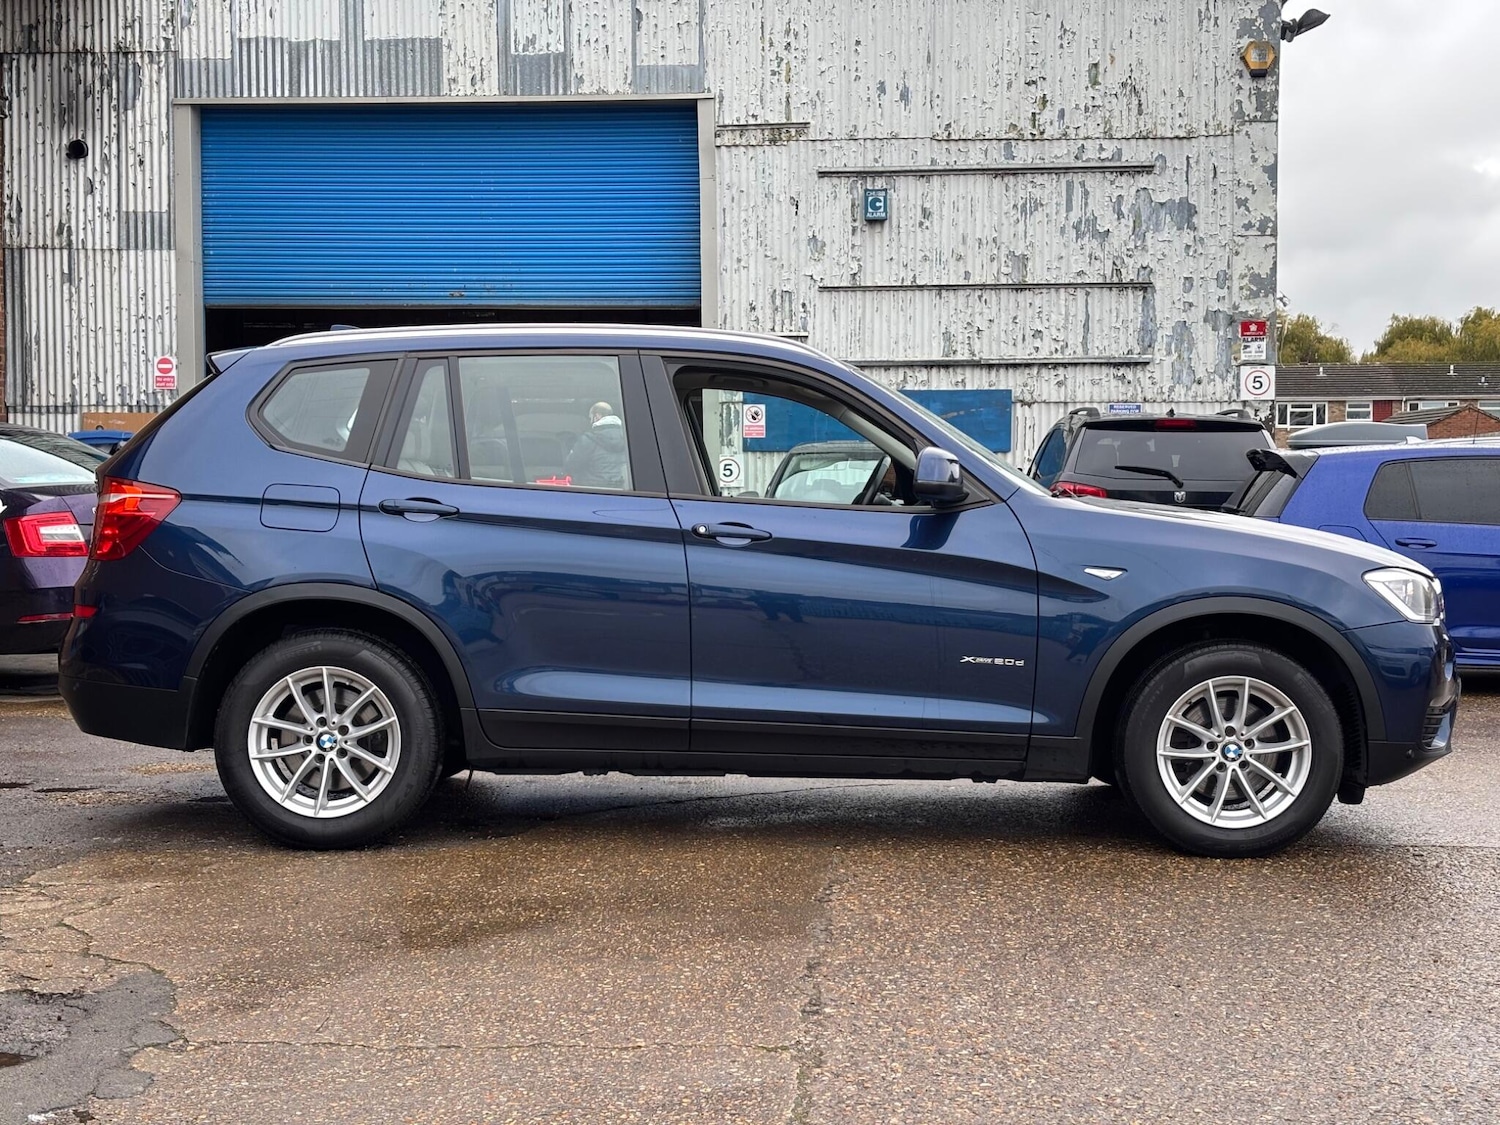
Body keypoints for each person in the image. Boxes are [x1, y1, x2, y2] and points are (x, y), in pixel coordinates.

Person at [563, 401, 628, 488]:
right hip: (622, 488)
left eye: (590, 418)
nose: (590, 421)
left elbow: (571, 466)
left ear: (597, 416)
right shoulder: (627, 437)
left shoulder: (588, 439)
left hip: (593, 490)